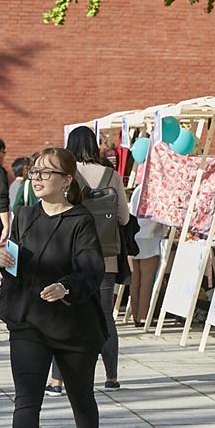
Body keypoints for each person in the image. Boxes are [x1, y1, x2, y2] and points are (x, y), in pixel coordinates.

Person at [0, 147, 108, 428]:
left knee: (80, 394)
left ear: (67, 180)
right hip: (29, 321)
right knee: (26, 398)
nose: (38, 178)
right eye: (35, 172)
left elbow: (90, 270)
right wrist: (4, 261)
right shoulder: (25, 216)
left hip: (73, 325)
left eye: (47, 173)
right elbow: (15, 267)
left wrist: (66, 287)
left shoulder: (80, 220)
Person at [66, 125, 130, 389]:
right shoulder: (111, 175)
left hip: (71, 258)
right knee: (105, 317)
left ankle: (60, 380)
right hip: (106, 258)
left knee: (68, 316)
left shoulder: (66, 175)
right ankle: (111, 377)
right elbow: (124, 217)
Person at [130, 217, 166, 326]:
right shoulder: (157, 200)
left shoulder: (135, 198)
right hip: (151, 240)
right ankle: (143, 316)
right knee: (146, 282)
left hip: (134, 238)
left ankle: (134, 314)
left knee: (134, 282)